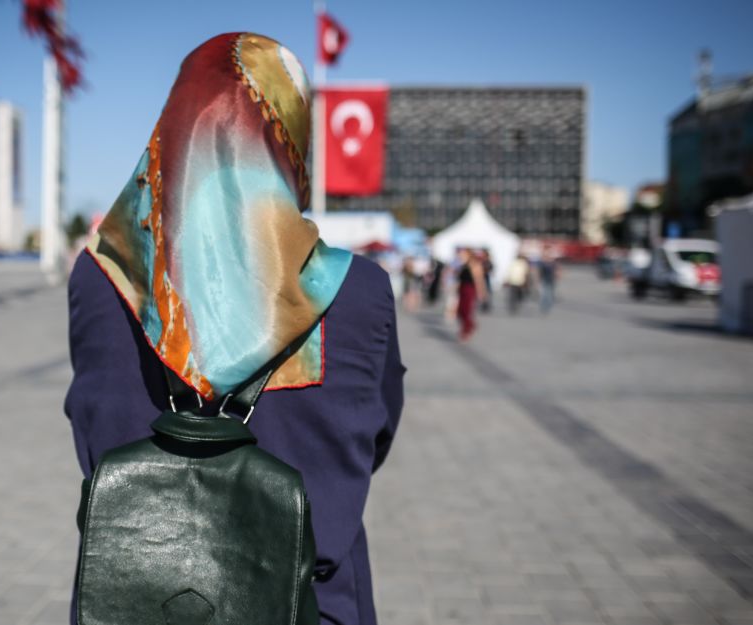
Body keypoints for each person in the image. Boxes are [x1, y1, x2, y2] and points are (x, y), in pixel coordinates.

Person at [64, 33, 405, 625]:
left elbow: (92, 434)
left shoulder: (103, 275)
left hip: (134, 600)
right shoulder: (358, 290)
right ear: (292, 141)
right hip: (311, 603)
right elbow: (372, 440)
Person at [455, 248, 487, 340]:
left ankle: (466, 330)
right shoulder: (463, 265)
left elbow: (479, 280)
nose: (460, 256)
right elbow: (459, 279)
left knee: (466, 310)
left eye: (462, 254)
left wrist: (481, 292)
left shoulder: (474, 265)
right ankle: (470, 326)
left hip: (470, 289)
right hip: (462, 288)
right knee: (460, 311)